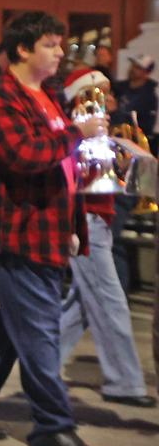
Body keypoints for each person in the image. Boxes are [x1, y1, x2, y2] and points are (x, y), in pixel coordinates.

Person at [0, 11, 108, 446]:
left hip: (49, 231)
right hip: (17, 233)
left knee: (11, 330)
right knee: (39, 335)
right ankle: (53, 426)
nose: (59, 53)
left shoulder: (48, 96)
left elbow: (60, 162)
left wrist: (96, 162)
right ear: (23, 50)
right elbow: (24, 156)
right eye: (51, 45)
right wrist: (77, 134)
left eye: (59, 45)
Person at [57, 68, 155, 408]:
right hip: (86, 223)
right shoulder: (82, 129)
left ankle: (42, 366)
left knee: (81, 306)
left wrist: (129, 152)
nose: (110, 100)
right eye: (102, 92)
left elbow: (111, 181)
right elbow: (84, 177)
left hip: (97, 222)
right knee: (110, 301)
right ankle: (125, 382)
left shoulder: (95, 131)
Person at [113, 52, 157, 144]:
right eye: (133, 65)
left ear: (147, 73)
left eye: (138, 68)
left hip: (133, 143)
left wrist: (116, 112)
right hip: (114, 137)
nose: (132, 69)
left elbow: (146, 127)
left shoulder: (150, 97)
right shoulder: (119, 88)